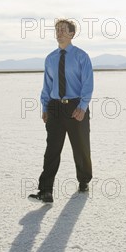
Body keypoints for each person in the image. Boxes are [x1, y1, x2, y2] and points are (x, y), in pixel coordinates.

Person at [28, 19, 94, 204]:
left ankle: (83, 180)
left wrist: (82, 106)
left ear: (72, 34)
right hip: (55, 107)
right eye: (57, 30)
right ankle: (45, 190)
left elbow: (88, 84)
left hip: (75, 106)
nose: (59, 33)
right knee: (52, 149)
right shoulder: (50, 58)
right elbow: (47, 85)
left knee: (80, 147)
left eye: (63, 30)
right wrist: (45, 106)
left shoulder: (82, 56)